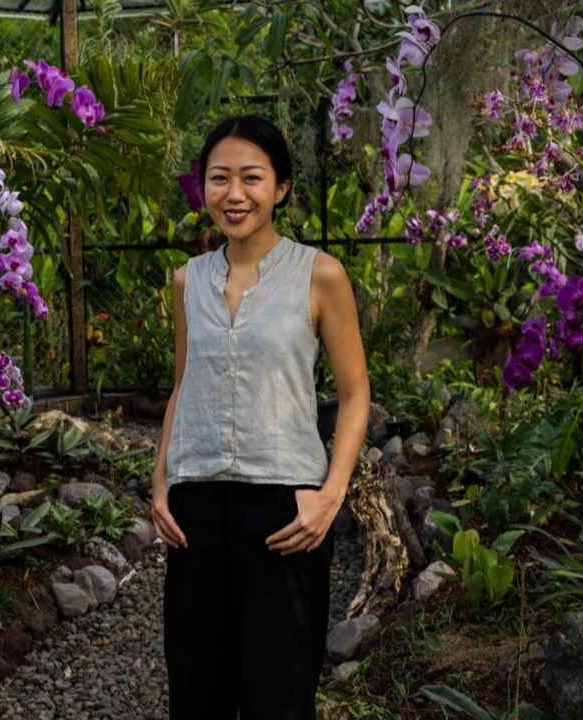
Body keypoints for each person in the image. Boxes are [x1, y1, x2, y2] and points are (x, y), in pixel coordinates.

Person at [151, 115, 371, 720]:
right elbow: (183, 384)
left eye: (252, 177)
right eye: (219, 178)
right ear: (204, 189)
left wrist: (330, 496)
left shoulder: (319, 274)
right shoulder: (187, 281)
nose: (234, 194)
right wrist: (161, 479)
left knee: (279, 694)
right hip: (197, 510)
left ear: (281, 187)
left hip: (283, 508)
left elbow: (355, 395)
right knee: (197, 694)